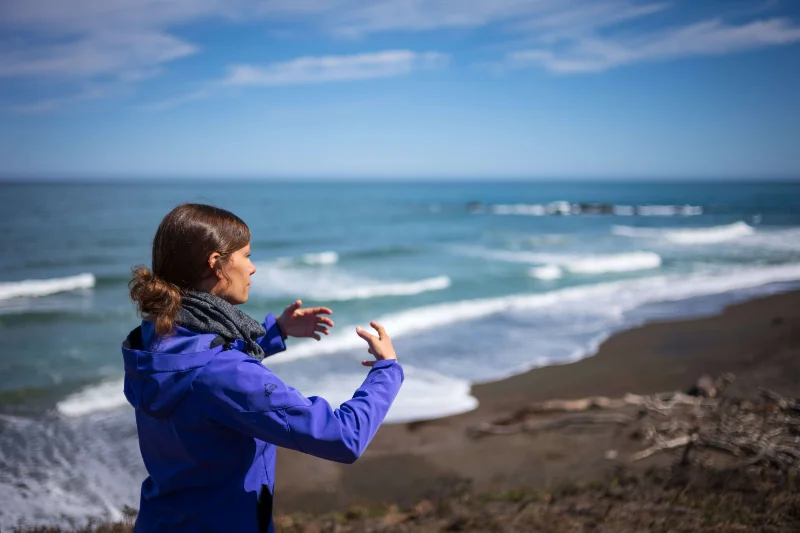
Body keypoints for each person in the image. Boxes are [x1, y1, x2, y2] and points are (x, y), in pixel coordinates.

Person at [122, 203, 403, 533]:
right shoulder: (220, 373)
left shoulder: (154, 337)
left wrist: (275, 333)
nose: (253, 268)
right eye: (246, 256)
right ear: (216, 265)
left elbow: (207, 366)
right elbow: (341, 437)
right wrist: (386, 369)